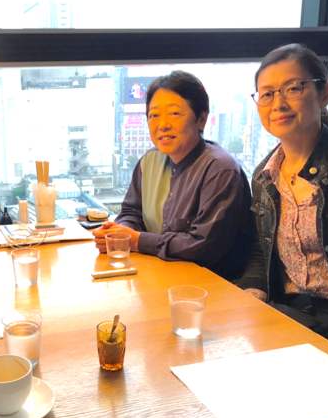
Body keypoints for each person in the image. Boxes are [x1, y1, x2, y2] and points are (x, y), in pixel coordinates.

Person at [237, 42, 328, 418]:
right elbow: (261, 253)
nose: (278, 103)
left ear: (324, 93)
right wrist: (250, 300)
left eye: (293, 88)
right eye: (267, 93)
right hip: (291, 317)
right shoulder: (264, 177)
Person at [93, 71, 251, 279]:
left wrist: (136, 240)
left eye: (174, 114)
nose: (163, 125)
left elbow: (205, 246)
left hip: (211, 286)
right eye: (154, 115)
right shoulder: (149, 161)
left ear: (201, 120)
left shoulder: (220, 170)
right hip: (158, 277)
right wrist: (118, 232)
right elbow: (132, 212)